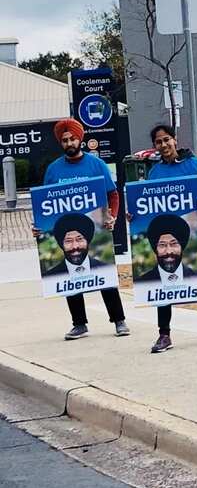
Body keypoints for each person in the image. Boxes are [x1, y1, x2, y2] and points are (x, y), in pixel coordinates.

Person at [34, 118, 129, 340]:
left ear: (80, 139)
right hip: (66, 233)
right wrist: (40, 227)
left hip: (94, 232)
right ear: (61, 143)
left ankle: (119, 320)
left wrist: (112, 216)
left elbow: (113, 195)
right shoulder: (53, 170)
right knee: (70, 277)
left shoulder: (97, 165)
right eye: (65, 140)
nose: (69, 142)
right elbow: (45, 204)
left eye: (72, 138)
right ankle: (79, 324)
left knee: (104, 275)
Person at [138, 123, 197, 354]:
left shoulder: (193, 164)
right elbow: (149, 204)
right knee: (164, 284)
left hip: (192, 234)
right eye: (158, 142)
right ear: (154, 146)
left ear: (175, 140)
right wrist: (134, 214)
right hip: (165, 238)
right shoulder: (155, 172)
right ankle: (164, 334)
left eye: (166, 140)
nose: (163, 145)